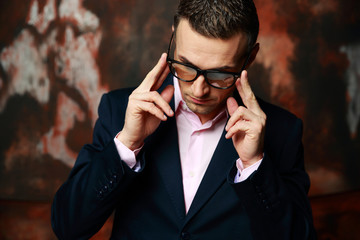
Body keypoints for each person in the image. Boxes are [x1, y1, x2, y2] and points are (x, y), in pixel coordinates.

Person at [51, 0, 316, 239]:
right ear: (174, 41)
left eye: (219, 74)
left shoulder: (282, 132)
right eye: (187, 66)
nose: (199, 89)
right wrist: (127, 145)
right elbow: (68, 226)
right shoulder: (118, 109)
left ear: (250, 59)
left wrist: (254, 165)